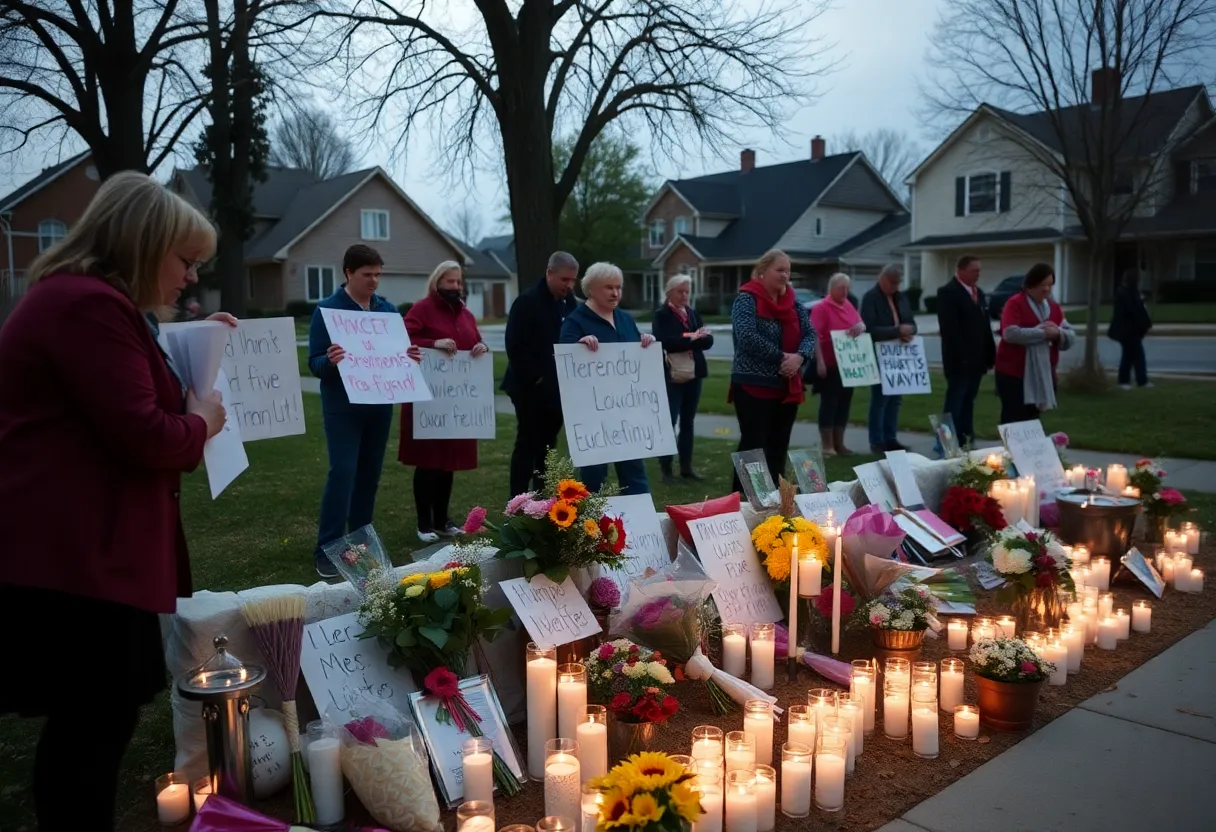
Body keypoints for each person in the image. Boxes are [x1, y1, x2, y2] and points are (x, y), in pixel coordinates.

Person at [0, 171, 230, 831]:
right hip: (74, 560)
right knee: (91, 727)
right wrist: (202, 424)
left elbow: (127, 383)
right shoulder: (87, 306)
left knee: (95, 719)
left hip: (81, 551)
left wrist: (198, 345)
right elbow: (146, 433)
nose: (190, 276)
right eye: (185, 260)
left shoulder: (84, 303)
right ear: (143, 243)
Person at [308, 244, 415, 577]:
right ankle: (327, 547)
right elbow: (314, 362)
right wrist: (331, 362)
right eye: (367, 274)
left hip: (379, 405)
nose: (374, 281)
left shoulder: (386, 311)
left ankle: (362, 542)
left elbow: (393, 355)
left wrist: (407, 357)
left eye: (378, 274)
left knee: (369, 475)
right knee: (343, 473)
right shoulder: (328, 310)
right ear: (348, 273)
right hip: (343, 407)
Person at [399, 261, 490, 542]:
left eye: (459, 282)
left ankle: (442, 518)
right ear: (437, 282)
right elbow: (404, 338)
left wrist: (481, 347)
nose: (455, 287)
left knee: (448, 463)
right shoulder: (422, 308)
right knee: (428, 463)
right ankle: (424, 522)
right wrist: (433, 343)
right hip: (428, 400)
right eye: (450, 282)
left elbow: (476, 339)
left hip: (457, 403)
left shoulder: (466, 314)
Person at [559, 261, 656, 493]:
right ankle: (590, 527)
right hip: (593, 414)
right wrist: (578, 346)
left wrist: (645, 343)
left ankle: (640, 525)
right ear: (591, 289)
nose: (615, 293)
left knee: (634, 473)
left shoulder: (624, 318)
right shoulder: (576, 320)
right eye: (608, 287)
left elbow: (633, 357)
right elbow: (564, 360)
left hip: (626, 410)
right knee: (593, 476)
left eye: (618, 287)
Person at [729, 249, 816, 493]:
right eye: (780, 270)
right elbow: (747, 336)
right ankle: (744, 501)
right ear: (762, 272)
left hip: (786, 387)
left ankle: (776, 501)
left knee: (779, 445)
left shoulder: (794, 304)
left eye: (788, 271)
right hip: (752, 386)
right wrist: (781, 358)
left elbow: (810, 334)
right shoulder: (746, 300)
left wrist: (799, 358)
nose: (785, 275)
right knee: (753, 447)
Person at [502, 251, 579, 496]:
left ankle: (542, 496)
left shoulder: (570, 304)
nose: (569, 285)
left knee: (548, 445)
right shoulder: (527, 302)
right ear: (549, 273)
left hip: (557, 388)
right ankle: (518, 499)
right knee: (528, 442)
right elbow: (515, 346)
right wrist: (538, 378)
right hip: (529, 388)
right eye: (564, 280)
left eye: (573, 280)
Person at [994, 263, 1075, 423]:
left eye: (1050, 285)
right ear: (1031, 284)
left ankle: (1030, 448)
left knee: (1032, 418)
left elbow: (1070, 334)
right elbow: (1010, 333)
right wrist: (1043, 332)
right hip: (1014, 374)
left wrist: (1058, 333)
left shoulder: (1053, 308)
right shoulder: (1015, 303)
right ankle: (1012, 448)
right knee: (1013, 417)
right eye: (1042, 285)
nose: (1046, 289)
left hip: (1043, 373)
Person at [652, 274, 714, 482]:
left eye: (687, 291)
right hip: (673, 374)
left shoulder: (692, 313)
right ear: (670, 292)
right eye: (680, 291)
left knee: (688, 421)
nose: (685, 295)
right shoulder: (662, 315)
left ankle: (686, 467)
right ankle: (666, 468)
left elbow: (708, 340)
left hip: (694, 372)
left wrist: (691, 339)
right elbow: (665, 342)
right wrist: (692, 338)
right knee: (670, 421)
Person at [936, 254, 996, 450]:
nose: (978, 274)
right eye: (974, 270)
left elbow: (984, 326)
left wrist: (989, 353)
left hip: (977, 359)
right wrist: (962, 356)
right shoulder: (948, 293)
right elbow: (950, 329)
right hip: (958, 360)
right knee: (955, 400)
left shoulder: (978, 293)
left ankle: (966, 438)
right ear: (961, 270)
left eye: (979, 270)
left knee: (969, 400)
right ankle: (945, 443)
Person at [860, 264, 917, 454]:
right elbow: (870, 329)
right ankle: (877, 440)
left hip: (899, 353)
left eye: (897, 283)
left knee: (896, 398)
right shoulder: (871, 298)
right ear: (881, 279)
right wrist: (896, 331)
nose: (895, 286)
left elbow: (910, 321)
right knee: (880, 398)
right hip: (881, 352)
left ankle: (890, 438)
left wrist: (909, 331)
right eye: (891, 282)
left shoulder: (900, 297)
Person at [810, 272, 865, 456]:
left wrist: (860, 327)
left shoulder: (848, 305)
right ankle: (827, 444)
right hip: (830, 362)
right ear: (832, 289)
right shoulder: (822, 308)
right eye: (842, 288)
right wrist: (820, 362)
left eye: (848, 288)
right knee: (829, 403)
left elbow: (861, 323)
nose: (845, 292)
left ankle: (839, 442)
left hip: (847, 363)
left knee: (844, 402)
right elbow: (814, 335)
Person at [1110, 268, 1153, 389]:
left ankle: (1126, 381)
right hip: (1128, 330)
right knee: (1137, 356)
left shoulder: (1129, 292)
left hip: (1131, 330)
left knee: (1129, 355)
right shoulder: (1124, 293)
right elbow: (1133, 311)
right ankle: (1139, 380)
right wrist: (1144, 324)